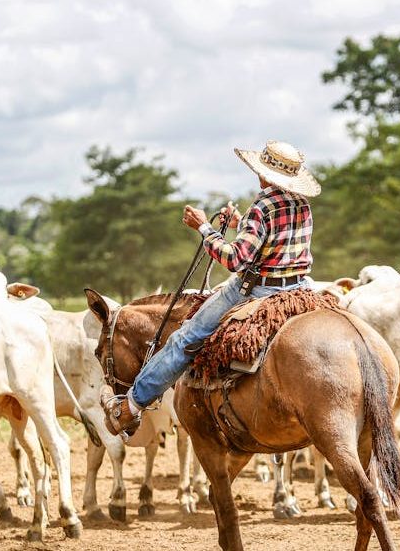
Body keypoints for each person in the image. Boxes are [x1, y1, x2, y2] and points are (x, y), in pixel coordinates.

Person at [101, 140, 320, 439]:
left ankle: (131, 406)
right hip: (299, 286)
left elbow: (235, 259)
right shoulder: (301, 204)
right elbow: (273, 242)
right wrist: (240, 224)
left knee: (184, 338)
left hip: (259, 290)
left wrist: (205, 228)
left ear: (263, 173)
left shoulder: (263, 205)